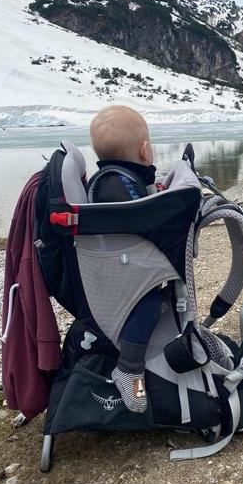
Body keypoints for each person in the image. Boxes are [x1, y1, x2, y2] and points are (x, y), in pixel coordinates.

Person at [89, 105, 161, 414]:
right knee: (148, 306)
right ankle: (130, 370)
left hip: (117, 264)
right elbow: (141, 218)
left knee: (155, 302)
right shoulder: (116, 185)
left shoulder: (112, 178)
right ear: (145, 150)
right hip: (122, 273)